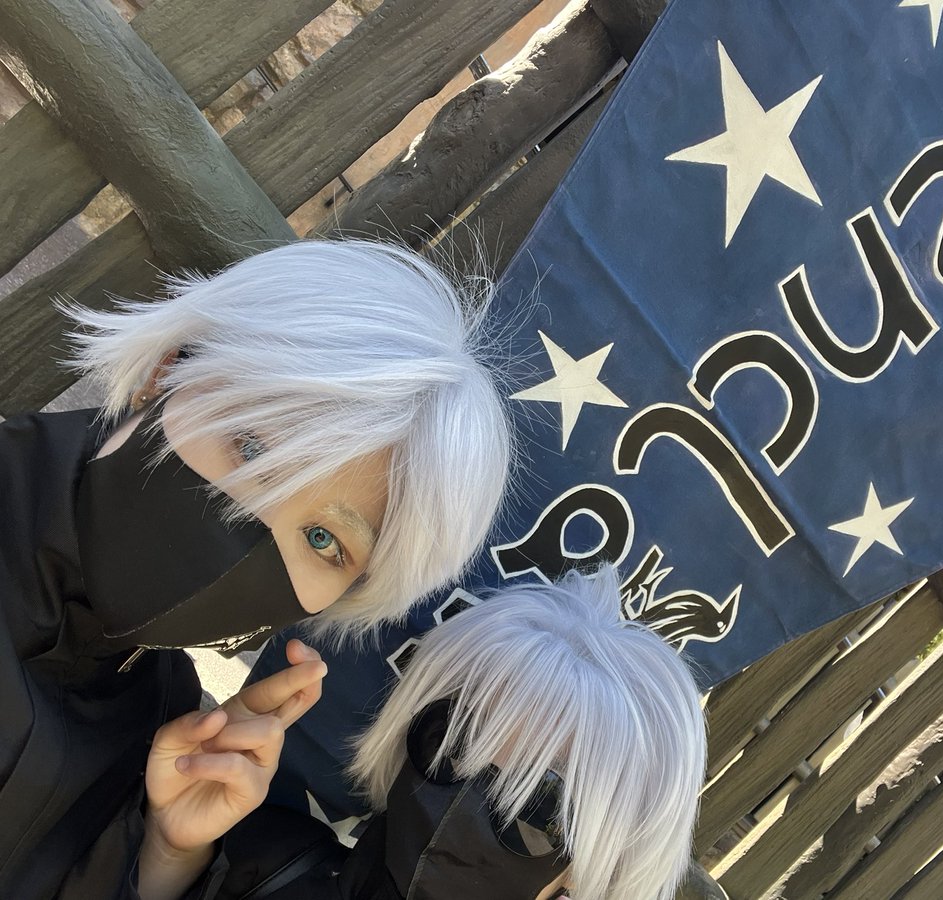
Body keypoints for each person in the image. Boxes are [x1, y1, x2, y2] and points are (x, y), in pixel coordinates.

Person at [0, 240, 512, 898]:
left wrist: (163, 855)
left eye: (324, 540)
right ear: (168, 370)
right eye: (252, 448)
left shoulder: (160, 720)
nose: (256, 529)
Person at [139, 567, 708, 900]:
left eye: (534, 808)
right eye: (450, 744)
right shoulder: (262, 863)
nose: (458, 808)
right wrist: (168, 857)